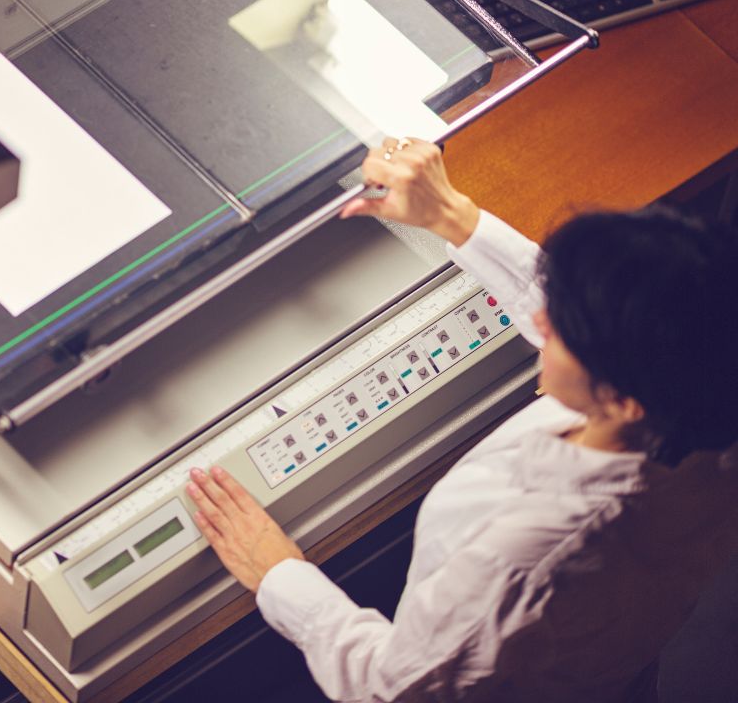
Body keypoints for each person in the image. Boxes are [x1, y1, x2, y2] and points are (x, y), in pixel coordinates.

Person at [185, 136, 738, 702]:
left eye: (564, 327)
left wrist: (278, 574)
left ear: (624, 400)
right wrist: (451, 214)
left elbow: (391, 687)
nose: (541, 318)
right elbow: (618, 322)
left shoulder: (526, 561)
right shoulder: (702, 387)